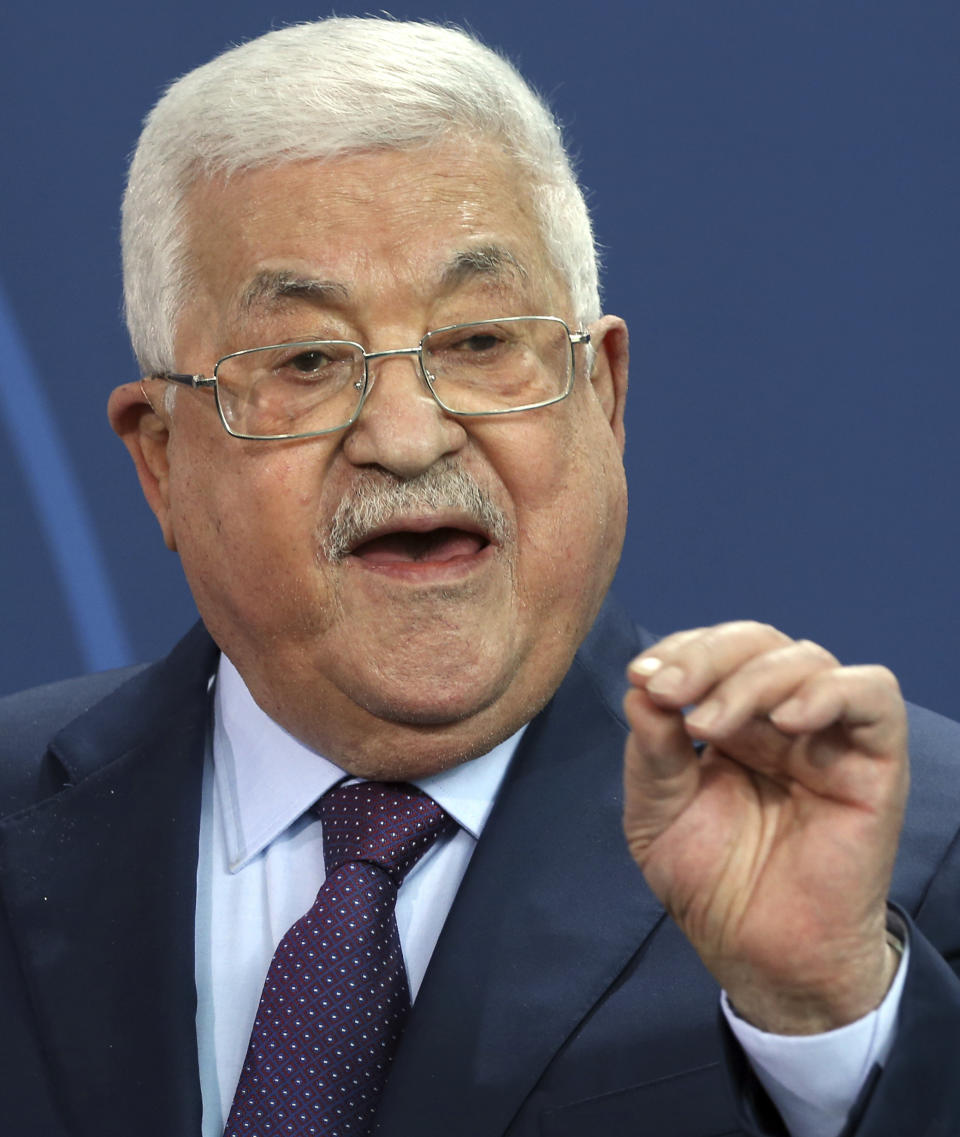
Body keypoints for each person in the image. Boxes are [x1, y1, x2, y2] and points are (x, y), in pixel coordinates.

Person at [0, 17, 957, 1137]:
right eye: (307, 362)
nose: (408, 437)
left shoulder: (912, 852)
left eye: (479, 343)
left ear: (602, 395)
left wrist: (823, 1020)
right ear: (160, 458)